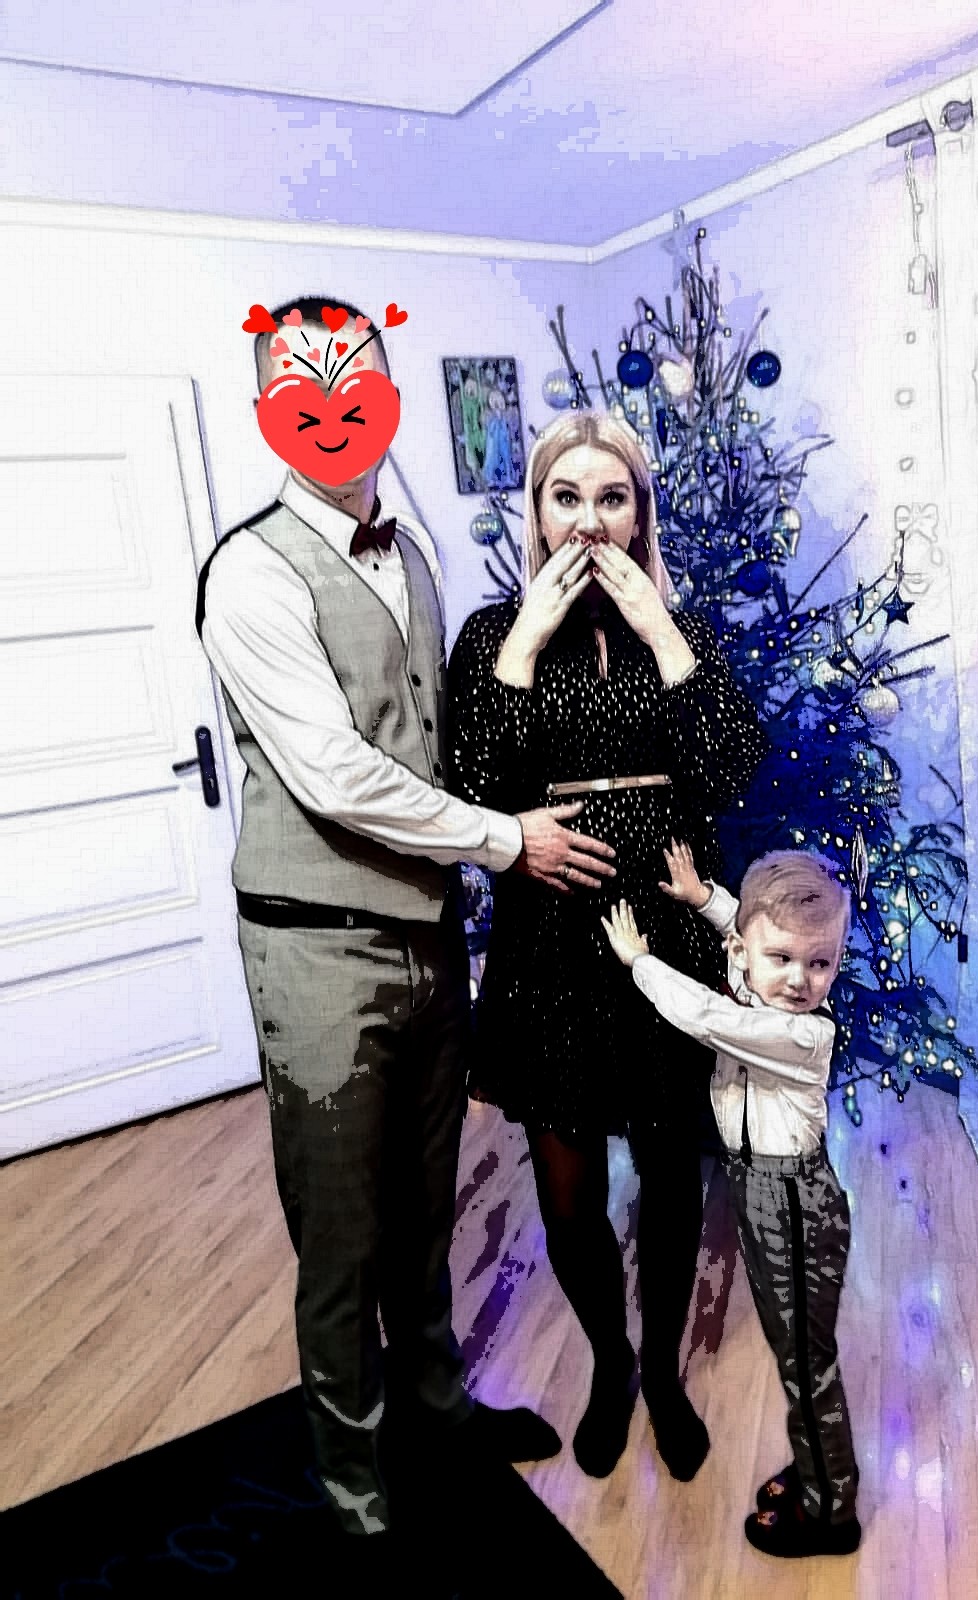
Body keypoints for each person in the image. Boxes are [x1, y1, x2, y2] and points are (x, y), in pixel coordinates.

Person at [196, 296, 617, 1572]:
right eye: (306, 394)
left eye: (357, 390)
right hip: (318, 950)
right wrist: (506, 840)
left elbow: (430, 732)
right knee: (344, 1235)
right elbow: (335, 773)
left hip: (432, 940)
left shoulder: (415, 548)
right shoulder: (252, 571)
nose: (337, 416)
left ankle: (438, 1411)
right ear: (271, 409)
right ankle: (353, 1481)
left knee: (428, 1210)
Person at [447, 410, 767, 1483]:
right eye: (567, 497)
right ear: (538, 514)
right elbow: (473, 789)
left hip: (665, 928)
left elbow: (730, 772)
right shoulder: (490, 634)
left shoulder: (685, 629)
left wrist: (666, 635)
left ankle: (665, 1372)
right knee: (570, 1190)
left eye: (612, 498)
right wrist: (525, 644)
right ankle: (610, 1360)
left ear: (640, 514)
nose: (590, 521)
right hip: (551, 936)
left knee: (671, 1177)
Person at [601, 844, 862, 1559]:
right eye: (784, 960)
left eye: (820, 963)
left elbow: (710, 1017)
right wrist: (706, 898)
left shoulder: (801, 1032)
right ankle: (819, 1471)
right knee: (794, 1352)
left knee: (806, 1363)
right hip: (762, 1190)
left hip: (795, 1202)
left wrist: (640, 963)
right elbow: (745, 935)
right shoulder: (760, 975)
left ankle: (832, 1512)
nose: (800, 980)